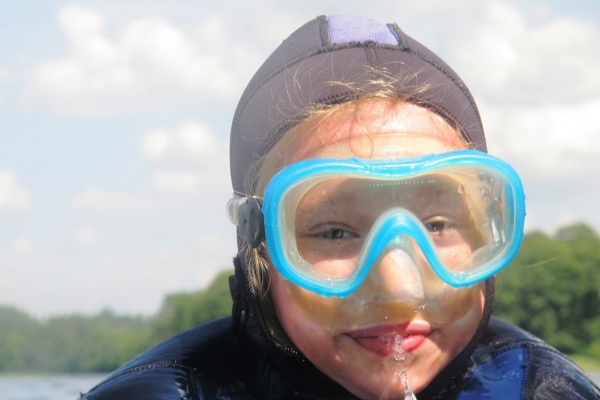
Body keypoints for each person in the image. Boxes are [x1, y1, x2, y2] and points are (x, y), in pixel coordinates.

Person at [79, 15, 600, 400]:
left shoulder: (544, 391)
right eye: (334, 232)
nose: (399, 290)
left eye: (439, 224)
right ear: (259, 250)